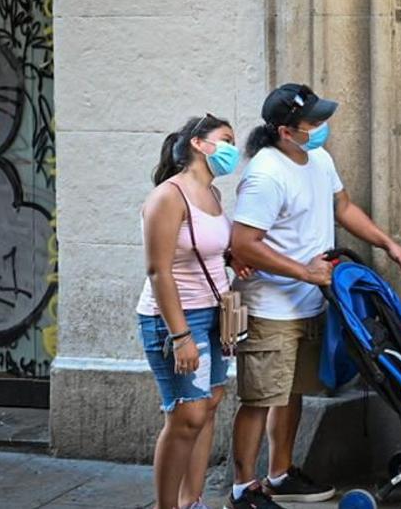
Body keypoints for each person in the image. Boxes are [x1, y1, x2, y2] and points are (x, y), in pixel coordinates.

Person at [226, 84, 401, 509]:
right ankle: (244, 489)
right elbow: (244, 243)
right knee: (261, 398)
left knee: (291, 391)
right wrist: (304, 272)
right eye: (312, 122)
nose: (321, 127)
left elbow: (343, 208)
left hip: (311, 302)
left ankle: (280, 472)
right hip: (270, 307)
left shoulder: (321, 159)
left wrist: (388, 243)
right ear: (285, 131)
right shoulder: (265, 173)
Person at [138, 113, 248, 509]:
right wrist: (181, 336)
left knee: (208, 407)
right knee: (186, 416)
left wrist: (234, 261)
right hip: (174, 321)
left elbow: (208, 250)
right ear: (199, 145)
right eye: (226, 138)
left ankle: (192, 501)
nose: (233, 148)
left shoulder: (214, 195)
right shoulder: (169, 196)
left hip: (214, 315)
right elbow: (158, 270)